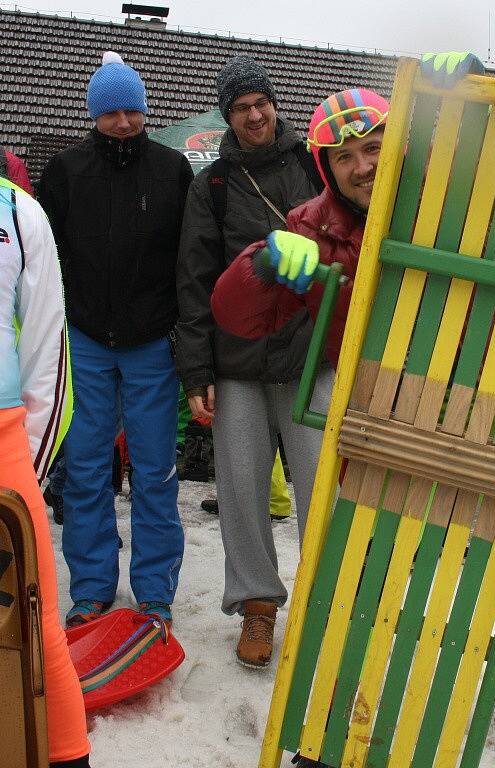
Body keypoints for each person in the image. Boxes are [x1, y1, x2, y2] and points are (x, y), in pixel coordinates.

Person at [212, 53, 495, 768]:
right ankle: (333, 721)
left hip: (480, 402)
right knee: (359, 578)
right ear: (323, 166)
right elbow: (237, 317)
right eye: (343, 157)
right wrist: (262, 266)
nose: (363, 166)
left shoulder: (449, 200)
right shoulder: (311, 225)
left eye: (374, 146)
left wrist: (468, 98)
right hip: (377, 419)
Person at [176, 56, 330, 669]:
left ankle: (325, 601)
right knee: (240, 489)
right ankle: (258, 606)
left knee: (324, 487)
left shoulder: (313, 165)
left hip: (311, 354)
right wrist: (196, 373)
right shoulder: (209, 186)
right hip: (235, 361)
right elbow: (193, 281)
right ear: (228, 117)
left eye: (260, 102)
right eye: (240, 107)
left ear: (274, 102)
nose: (254, 114)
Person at [39, 51, 192, 628]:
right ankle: (93, 588)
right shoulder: (65, 172)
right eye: (111, 113)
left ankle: (155, 589)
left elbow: (187, 255)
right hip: (84, 342)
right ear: (93, 115)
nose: (123, 122)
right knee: (85, 469)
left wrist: (181, 326)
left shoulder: (172, 169)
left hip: (153, 342)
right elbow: (45, 257)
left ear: (145, 111)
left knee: (154, 471)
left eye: (132, 110)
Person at [0, 175, 90, 766]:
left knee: (33, 626)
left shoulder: (16, 210)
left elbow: (45, 359)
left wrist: (19, 473)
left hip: (3, 443)